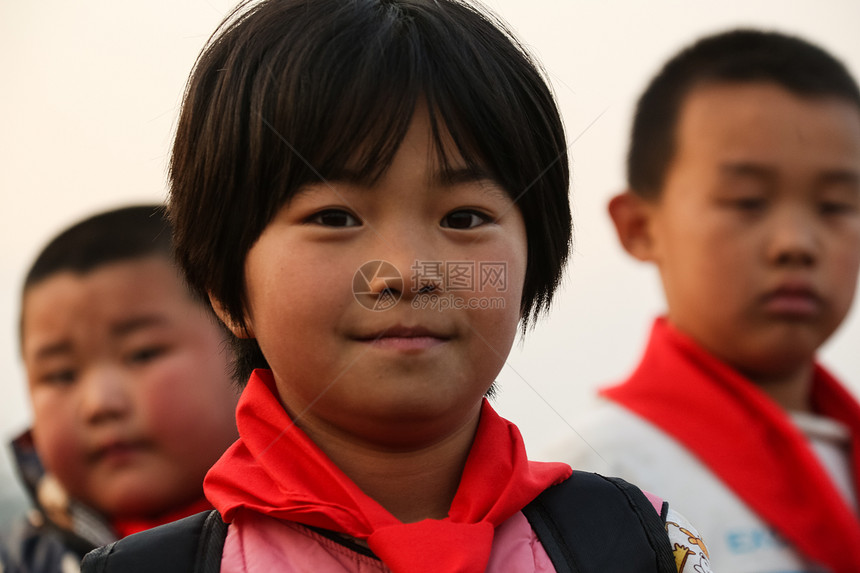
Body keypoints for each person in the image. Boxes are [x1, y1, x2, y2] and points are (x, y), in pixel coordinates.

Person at [82, 1, 711, 572]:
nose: (407, 271)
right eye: (334, 218)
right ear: (226, 288)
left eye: (463, 218)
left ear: (533, 260)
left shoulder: (638, 544)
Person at [549, 29, 860, 573]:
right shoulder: (598, 480)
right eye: (747, 201)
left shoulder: (845, 453)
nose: (796, 243)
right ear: (640, 227)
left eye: (835, 205)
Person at [0, 205, 240, 572]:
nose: (99, 404)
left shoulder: (314, 533)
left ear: (240, 338)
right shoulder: (25, 561)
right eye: (61, 375)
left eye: (142, 354)